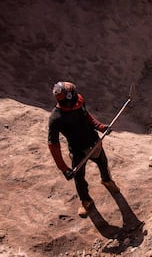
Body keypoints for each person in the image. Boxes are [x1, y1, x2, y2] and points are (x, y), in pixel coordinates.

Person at [48, 81, 120, 218]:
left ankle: (107, 180)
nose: (76, 95)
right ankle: (85, 200)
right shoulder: (55, 118)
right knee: (79, 178)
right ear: (68, 98)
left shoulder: (78, 102)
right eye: (73, 94)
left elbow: (87, 116)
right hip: (77, 150)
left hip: (93, 142)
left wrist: (100, 127)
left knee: (103, 163)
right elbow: (53, 145)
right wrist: (63, 168)